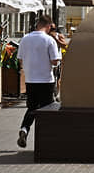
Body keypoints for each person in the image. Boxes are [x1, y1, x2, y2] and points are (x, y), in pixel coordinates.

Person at [16, 16, 61, 148]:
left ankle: (24, 129)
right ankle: (47, 139)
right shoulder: (49, 40)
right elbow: (54, 61)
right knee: (47, 109)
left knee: (32, 107)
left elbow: (20, 59)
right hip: (46, 80)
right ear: (48, 26)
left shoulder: (25, 39)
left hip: (30, 79)